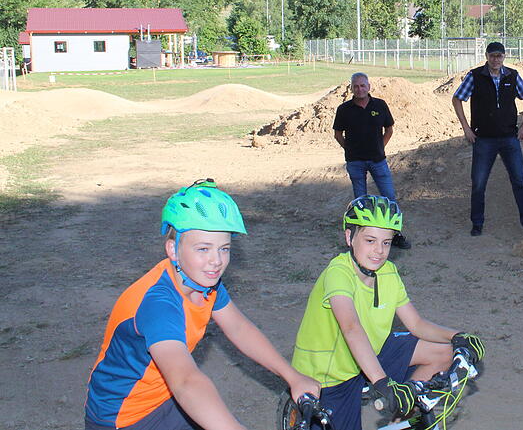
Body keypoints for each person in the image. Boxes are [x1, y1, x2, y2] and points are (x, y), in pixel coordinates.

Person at [85, 179, 320, 430]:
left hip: (163, 399)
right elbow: (186, 381)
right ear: (173, 250)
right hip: (124, 417)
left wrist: (292, 376)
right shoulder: (158, 305)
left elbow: (239, 328)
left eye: (225, 248)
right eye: (203, 249)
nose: (216, 261)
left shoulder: (205, 284)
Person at [290, 196, 486, 430]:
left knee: (444, 351)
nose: (379, 251)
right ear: (349, 237)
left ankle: (402, 415)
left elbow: (416, 323)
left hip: (373, 349)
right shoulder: (338, 274)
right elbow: (351, 328)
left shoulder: (388, 272)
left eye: (386, 242)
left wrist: (458, 336)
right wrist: (382, 382)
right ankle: (382, 391)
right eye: (370, 240)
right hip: (330, 373)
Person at [451, 41, 523, 241]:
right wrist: (466, 129)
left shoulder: (512, 76)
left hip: (509, 138)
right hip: (484, 139)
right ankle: (477, 223)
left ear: (504, 57)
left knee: (520, 182)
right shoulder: (475, 76)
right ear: (486, 56)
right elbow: (457, 98)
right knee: (479, 183)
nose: (496, 60)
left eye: (499, 56)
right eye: (492, 56)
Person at [334, 72, 410, 249]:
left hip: (378, 160)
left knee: (389, 198)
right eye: (356, 86)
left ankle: (395, 235)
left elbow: (389, 129)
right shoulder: (344, 109)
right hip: (355, 162)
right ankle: (362, 239)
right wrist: (349, 149)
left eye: (362, 85)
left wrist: (379, 147)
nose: (359, 89)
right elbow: (337, 134)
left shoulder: (380, 105)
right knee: (361, 202)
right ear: (351, 88)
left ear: (369, 87)